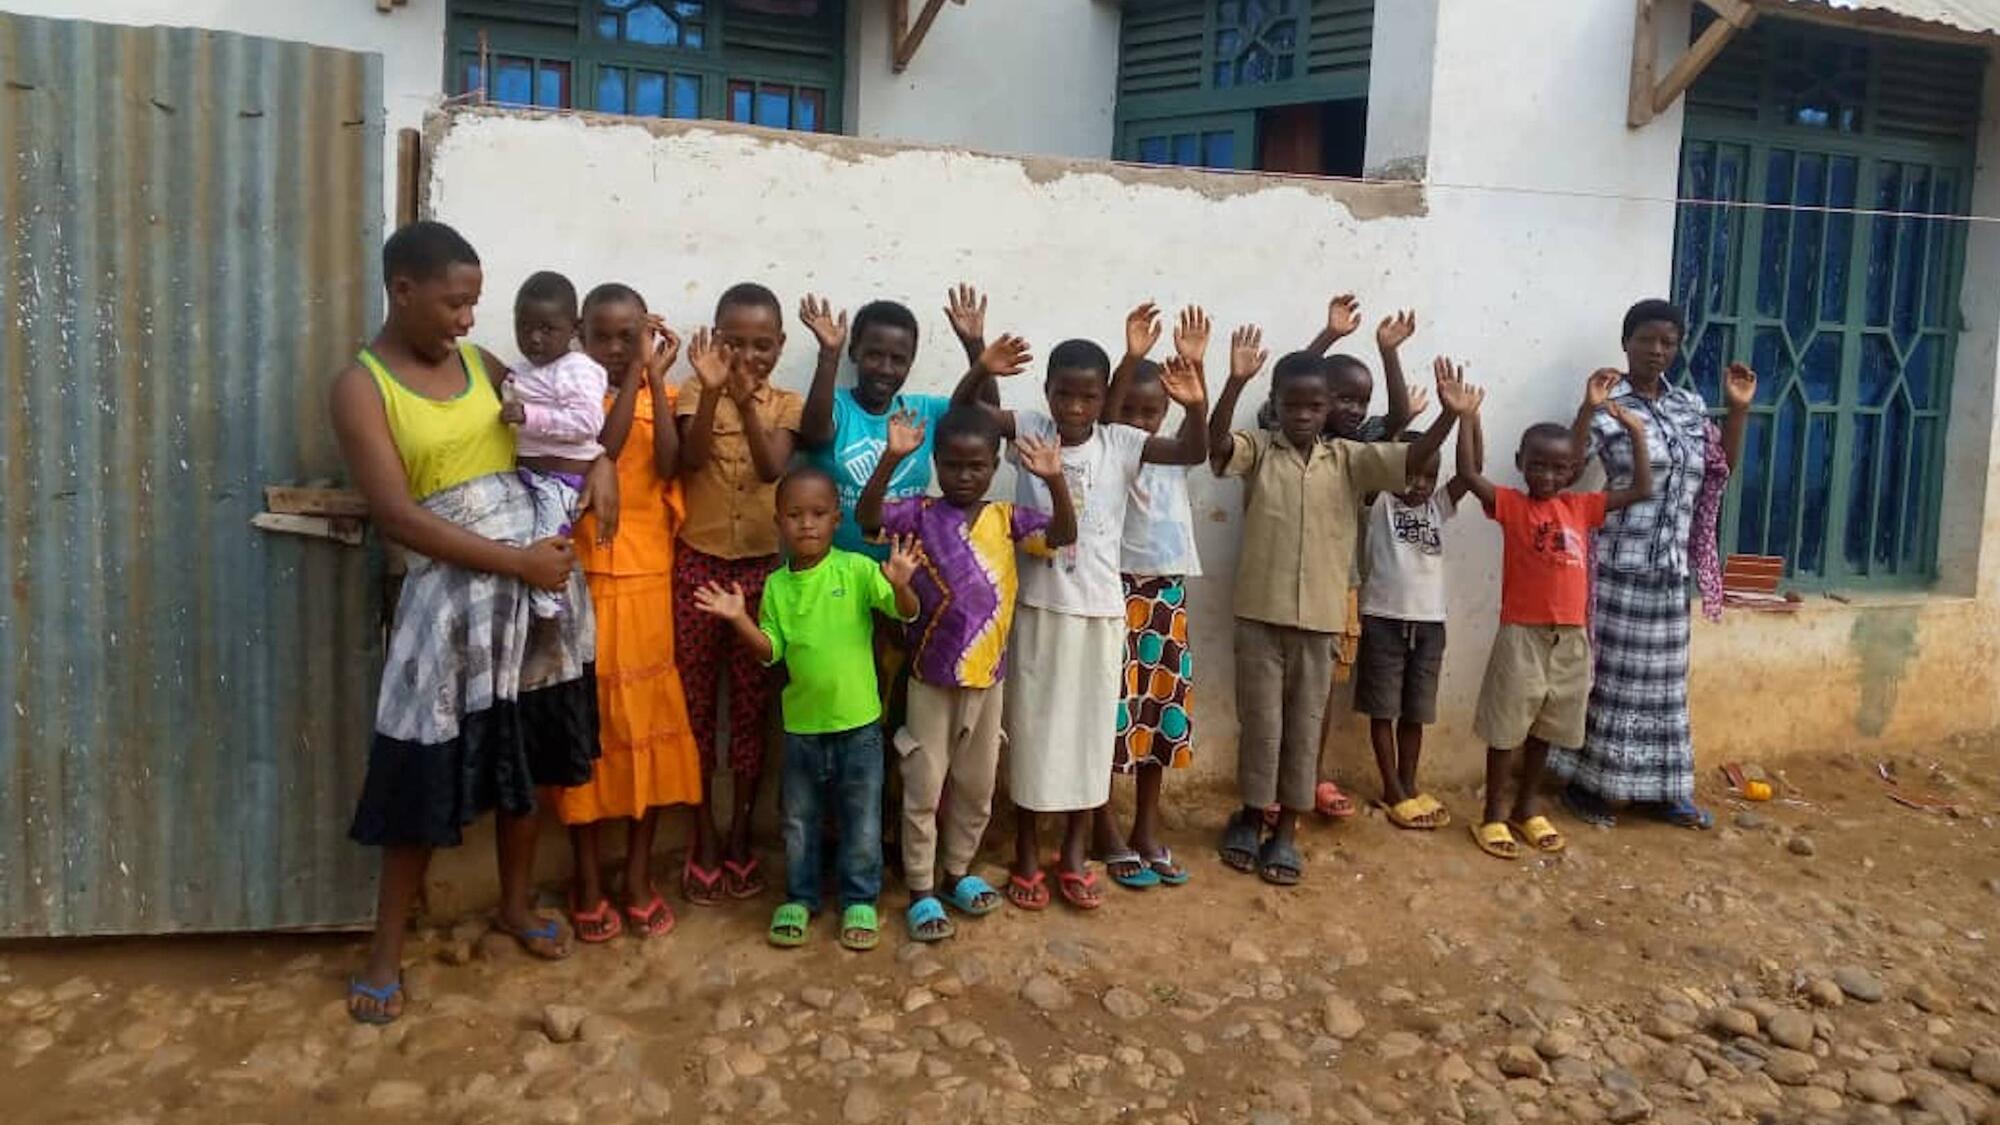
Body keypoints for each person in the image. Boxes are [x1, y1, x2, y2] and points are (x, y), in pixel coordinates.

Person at [330, 221, 614, 1024]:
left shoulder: (483, 366)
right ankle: (385, 950)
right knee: (420, 759)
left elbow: (563, 432)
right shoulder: (362, 387)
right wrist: (515, 562)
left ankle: (515, 905)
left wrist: (604, 466)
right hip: (453, 597)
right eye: (455, 302)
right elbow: (397, 517)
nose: (467, 318)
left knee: (522, 748)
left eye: (475, 302)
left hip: (533, 591)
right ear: (403, 290)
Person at [952, 331, 1210, 912]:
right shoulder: (1031, 429)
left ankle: (1072, 850)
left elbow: (1192, 453)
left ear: (1103, 399)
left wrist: (1195, 405)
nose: (1074, 407)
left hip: (1100, 609)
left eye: (1087, 397)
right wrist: (979, 363)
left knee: (1091, 735)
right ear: (1046, 392)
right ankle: (1024, 850)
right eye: (1063, 394)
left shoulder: (1121, 441)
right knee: (1034, 731)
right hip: (1040, 607)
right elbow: (966, 413)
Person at [1208, 330, 1468, 886]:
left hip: (1323, 618)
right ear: (1275, 406)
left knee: (1304, 727)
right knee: (1261, 724)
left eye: (1314, 406)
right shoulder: (1258, 451)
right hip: (1259, 614)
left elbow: (1413, 457)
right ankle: (1252, 817)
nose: (1303, 415)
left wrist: (1448, 417)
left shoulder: (1349, 459)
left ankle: (1287, 831)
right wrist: (1233, 381)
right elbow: (1215, 447)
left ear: (1327, 411)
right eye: (1291, 405)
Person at [856, 406, 1076, 941]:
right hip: (930, 680)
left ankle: (957, 871)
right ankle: (919, 888)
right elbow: (867, 519)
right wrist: (891, 456)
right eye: (953, 465)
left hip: (989, 682)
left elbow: (1064, 535)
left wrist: (1054, 479)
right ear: (935, 463)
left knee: (977, 787)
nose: (964, 475)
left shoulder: (1007, 518)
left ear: (994, 464)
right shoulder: (919, 514)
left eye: (976, 466)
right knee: (923, 786)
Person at [1547, 301, 1756, 830]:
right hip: (1621, 563)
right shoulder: (1610, 402)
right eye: (1647, 340)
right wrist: (1586, 409)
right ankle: (1589, 786)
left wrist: (1737, 411)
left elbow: (1717, 468)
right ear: (1626, 343)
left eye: (1668, 341)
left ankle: (1663, 792)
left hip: (1669, 568)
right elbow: (1568, 469)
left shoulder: (1689, 405)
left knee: (1664, 689)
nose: (1657, 350)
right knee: (1613, 683)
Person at [692, 468, 920, 951]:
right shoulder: (776, 587)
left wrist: (900, 584)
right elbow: (770, 650)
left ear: (838, 519)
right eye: (794, 516)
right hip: (801, 728)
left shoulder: (857, 570)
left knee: (861, 816)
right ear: (778, 523)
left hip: (859, 726)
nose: (807, 525)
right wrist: (738, 620)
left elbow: (904, 611)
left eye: (818, 514)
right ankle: (801, 894)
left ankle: (860, 898)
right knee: (798, 819)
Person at [1450, 359, 1653, 859]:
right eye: (1537, 464)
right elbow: (1468, 472)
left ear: (1573, 471)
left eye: (1559, 467)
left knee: (1548, 727)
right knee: (1505, 728)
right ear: (1520, 461)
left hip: (1571, 637)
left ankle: (1527, 808)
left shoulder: (1581, 507)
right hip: (1522, 634)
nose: (1547, 474)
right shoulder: (1513, 505)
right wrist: (1468, 418)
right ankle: (1493, 815)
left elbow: (1643, 489)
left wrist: (1636, 434)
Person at [555, 283, 703, 942]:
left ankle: (637, 874)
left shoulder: (660, 396)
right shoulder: (571, 401)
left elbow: (671, 465)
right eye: (603, 336)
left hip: (649, 588)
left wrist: (655, 382)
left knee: (646, 731)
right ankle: (587, 877)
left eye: (629, 335)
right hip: (585, 586)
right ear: (581, 337)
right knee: (588, 736)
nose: (615, 349)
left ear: (647, 333)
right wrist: (636, 377)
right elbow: (603, 455)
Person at [674, 283, 806, 903]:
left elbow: (771, 467)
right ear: (717, 339)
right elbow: (692, 459)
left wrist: (749, 402)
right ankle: (702, 834)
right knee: (696, 707)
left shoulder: (786, 404)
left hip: (758, 575)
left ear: (780, 347)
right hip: (697, 568)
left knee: (751, 710)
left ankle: (739, 840)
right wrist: (714, 393)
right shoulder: (696, 389)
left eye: (762, 345)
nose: (748, 355)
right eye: (735, 342)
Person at [1092, 303, 1209, 889]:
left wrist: (1198, 396)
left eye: (1152, 411)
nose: (1139, 422)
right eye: (1131, 410)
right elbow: (1107, 421)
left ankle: (1145, 826)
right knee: (1112, 715)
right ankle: (1103, 825)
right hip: (1115, 590)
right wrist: (1130, 357)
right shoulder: (1110, 448)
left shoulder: (1167, 450)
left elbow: (1198, 445)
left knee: (1159, 712)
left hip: (1166, 593)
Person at [797, 285, 992, 559]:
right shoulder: (836, 406)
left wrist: (976, 347)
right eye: (875, 355)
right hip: (835, 576)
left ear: (911, 362)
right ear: (854, 352)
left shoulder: (923, 412)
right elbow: (813, 435)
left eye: (898, 359)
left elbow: (986, 417)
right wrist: (829, 354)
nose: (886, 369)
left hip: (904, 578)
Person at [1354, 418, 1476, 830]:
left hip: (1430, 626)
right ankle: (1390, 787)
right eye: (1410, 475)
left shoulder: (1436, 508)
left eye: (1428, 476)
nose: (1420, 485)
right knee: (1382, 709)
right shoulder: (1379, 505)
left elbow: (1469, 472)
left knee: (1415, 711)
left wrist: (1469, 418)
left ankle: (1409, 781)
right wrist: (1403, 424)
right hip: (1384, 620)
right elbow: (1380, 462)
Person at [502, 271, 608, 620]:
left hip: (560, 485)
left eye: (547, 329)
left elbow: (588, 423)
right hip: (526, 478)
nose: (534, 339)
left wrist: (529, 415)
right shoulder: (523, 370)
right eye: (525, 327)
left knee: (547, 552)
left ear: (574, 329)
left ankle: (547, 626)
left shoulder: (576, 367)